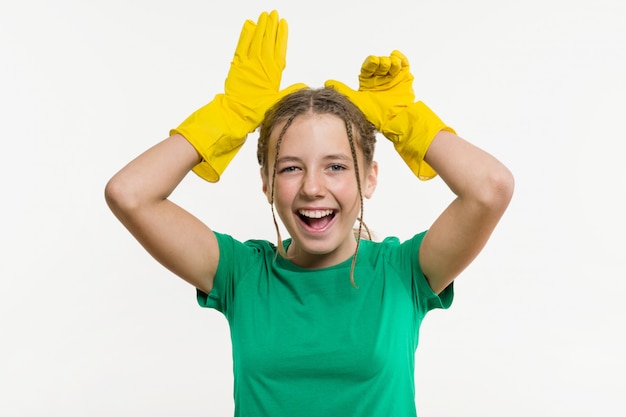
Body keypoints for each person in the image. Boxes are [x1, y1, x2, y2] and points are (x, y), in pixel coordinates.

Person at [105, 10, 514, 417]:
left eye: (335, 166)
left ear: (369, 178)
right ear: (265, 181)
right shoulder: (242, 274)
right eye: (290, 167)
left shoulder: (402, 272)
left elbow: (490, 188)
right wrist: (230, 114)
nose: (313, 187)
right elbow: (130, 194)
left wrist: (405, 120)